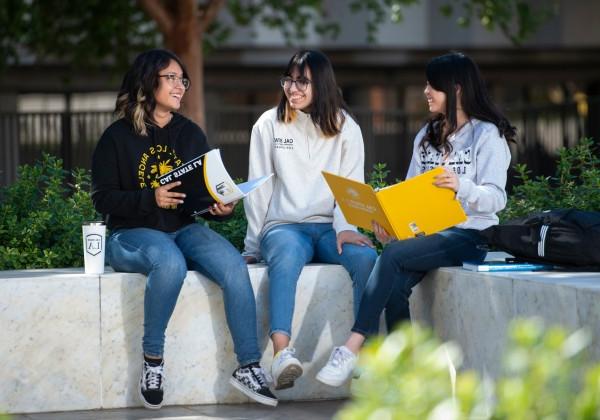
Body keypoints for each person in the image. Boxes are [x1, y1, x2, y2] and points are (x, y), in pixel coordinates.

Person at [316, 51, 516, 387]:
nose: (425, 92)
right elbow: (411, 193)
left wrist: (461, 185)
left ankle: (353, 345)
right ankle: (407, 375)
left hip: (472, 234)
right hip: (428, 234)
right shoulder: (426, 136)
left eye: (432, 86)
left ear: (455, 90)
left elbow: (497, 198)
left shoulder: (487, 135)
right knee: (394, 285)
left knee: (392, 257)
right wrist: (388, 222)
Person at [91, 49, 277, 409]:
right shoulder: (116, 137)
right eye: (171, 78)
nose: (180, 87)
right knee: (170, 263)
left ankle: (249, 365)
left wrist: (218, 207)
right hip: (130, 234)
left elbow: (198, 195)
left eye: (183, 79)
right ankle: (153, 363)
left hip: (182, 228)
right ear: (148, 82)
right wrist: (150, 198)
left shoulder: (189, 133)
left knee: (232, 264)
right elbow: (102, 199)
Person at [243, 49, 378, 390]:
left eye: (302, 81)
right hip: (284, 226)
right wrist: (253, 245)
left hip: (330, 228)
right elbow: (259, 188)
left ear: (323, 84)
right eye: (288, 80)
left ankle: (367, 354)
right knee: (285, 257)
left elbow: (351, 187)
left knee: (366, 259)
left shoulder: (347, 128)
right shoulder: (268, 124)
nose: (293, 88)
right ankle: (282, 353)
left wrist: (346, 228)